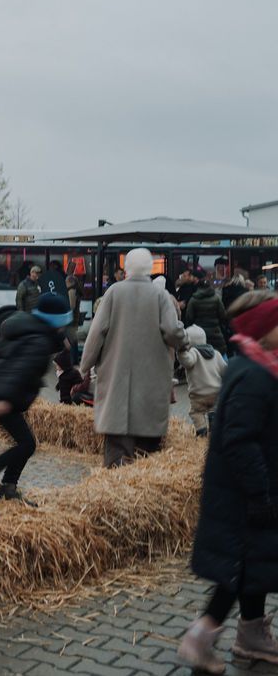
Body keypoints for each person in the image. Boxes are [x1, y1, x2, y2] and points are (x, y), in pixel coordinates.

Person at [177, 298, 278, 672]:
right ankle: (199, 640)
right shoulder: (254, 374)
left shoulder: (259, 364)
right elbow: (239, 439)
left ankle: (251, 636)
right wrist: (259, 493)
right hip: (246, 493)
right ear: (264, 330)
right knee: (240, 568)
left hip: (253, 489)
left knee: (256, 565)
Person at [79, 248, 188, 468]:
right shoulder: (161, 296)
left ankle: (113, 490)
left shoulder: (113, 292)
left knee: (117, 451)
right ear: (150, 269)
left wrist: (85, 367)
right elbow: (171, 330)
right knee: (146, 454)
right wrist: (184, 342)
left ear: (127, 268)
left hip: (116, 381)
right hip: (151, 384)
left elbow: (96, 333)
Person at [0, 294, 71, 505]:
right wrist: (5, 400)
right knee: (27, 444)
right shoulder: (39, 341)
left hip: (1, 390)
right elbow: (21, 371)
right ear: (55, 321)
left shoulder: (25, 329)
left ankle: (7, 487)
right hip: (6, 394)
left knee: (25, 443)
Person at [178, 325, 227, 437]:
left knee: (196, 413)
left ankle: (202, 432)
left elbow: (187, 362)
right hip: (216, 393)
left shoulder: (193, 353)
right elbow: (225, 371)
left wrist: (181, 352)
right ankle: (213, 421)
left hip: (198, 395)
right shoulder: (216, 354)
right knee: (213, 409)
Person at [184, 271, 228, 357]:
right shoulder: (216, 298)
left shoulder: (193, 300)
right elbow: (223, 316)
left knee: (200, 356)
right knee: (220, 355)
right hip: (215, 333)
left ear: (198, 287)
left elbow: (189, 317)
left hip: (199, 334)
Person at [65, 274, 83, 365]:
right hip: (75, 317)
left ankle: (72, 360)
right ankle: (74, 359)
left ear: (70, 282)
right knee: (74, 339)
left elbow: (72, 306)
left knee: (71, 340)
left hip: (71, 318)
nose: (65, 284)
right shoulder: (76, 290)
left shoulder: (71, 291)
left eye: (66, 282)